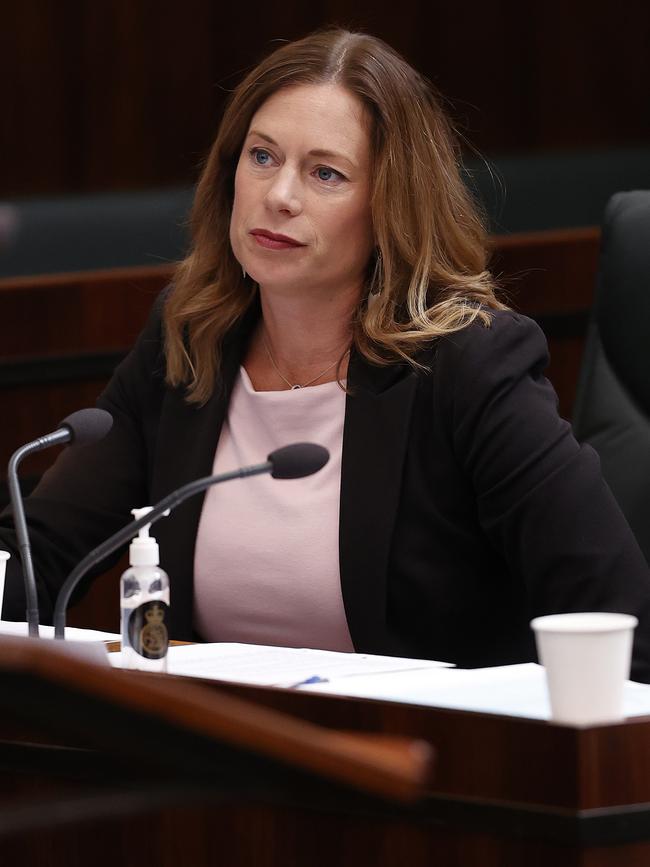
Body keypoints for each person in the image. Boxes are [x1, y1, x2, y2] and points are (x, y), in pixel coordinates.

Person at [2, 28, 650, 678]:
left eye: (325, 173)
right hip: (225, 756)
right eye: (262, 156)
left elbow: (618, 613)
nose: (280, 195)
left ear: (389, 206)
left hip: (430, 762)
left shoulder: (467, 364)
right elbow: (35, 554)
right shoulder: (192, 337)